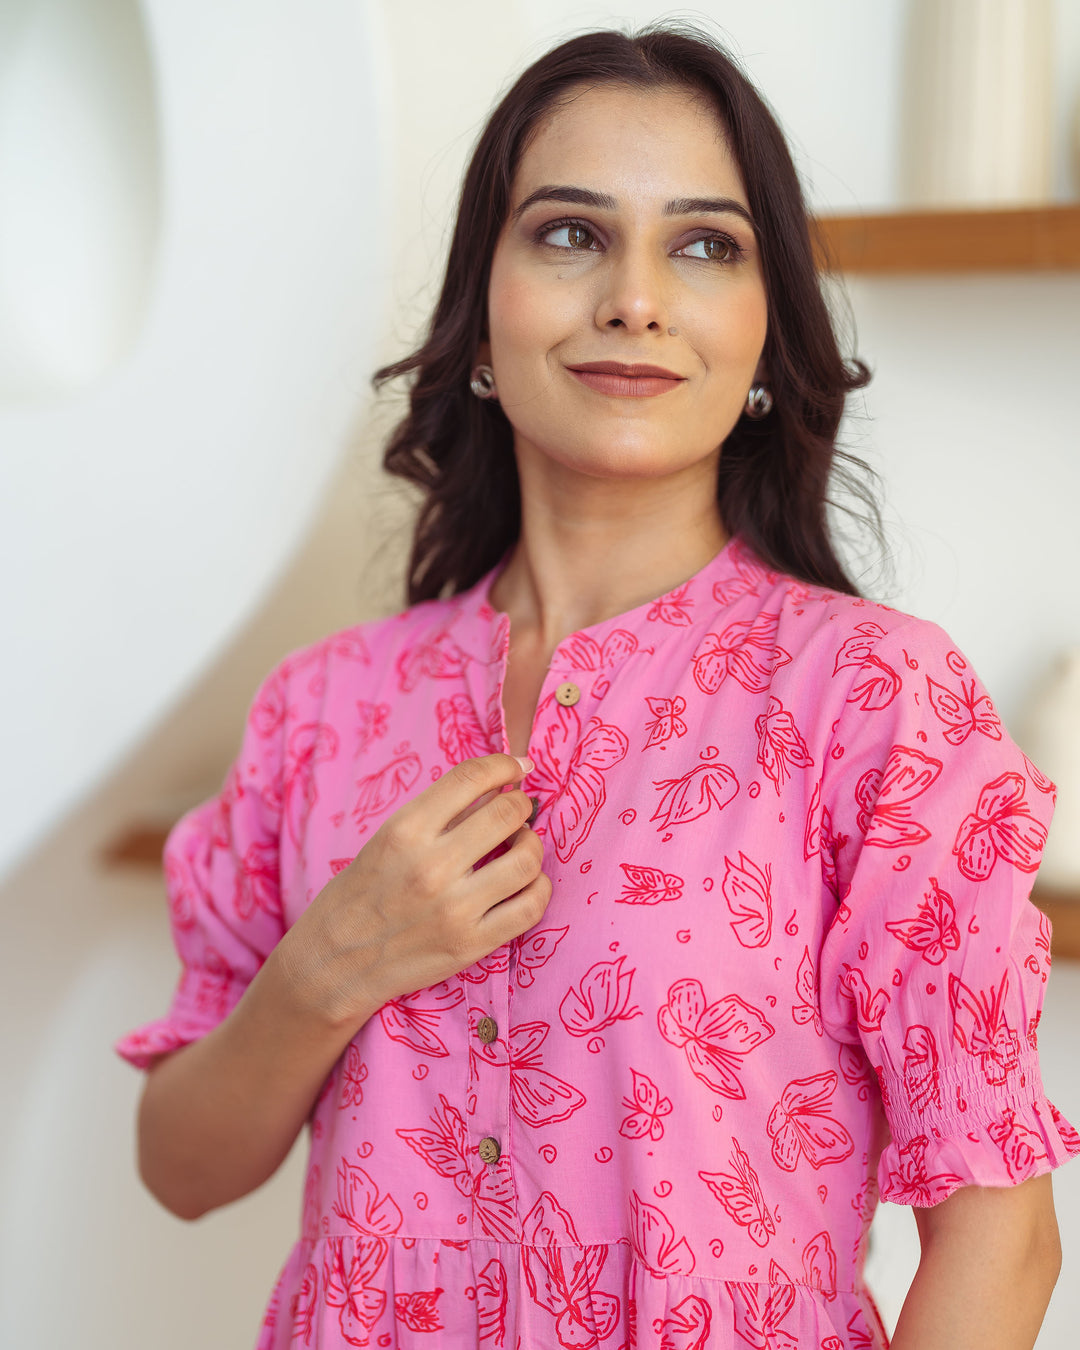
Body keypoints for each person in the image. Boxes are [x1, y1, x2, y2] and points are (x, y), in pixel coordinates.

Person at [116, 24, 1078, 1350]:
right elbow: (183, 1166)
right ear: (479, 320)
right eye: (570, 233)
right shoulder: (322, 708)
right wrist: (324, 969)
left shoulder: (876, 706)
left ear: (763, 337)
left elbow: (1002, 1237)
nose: (634, 297)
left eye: (703, 245)